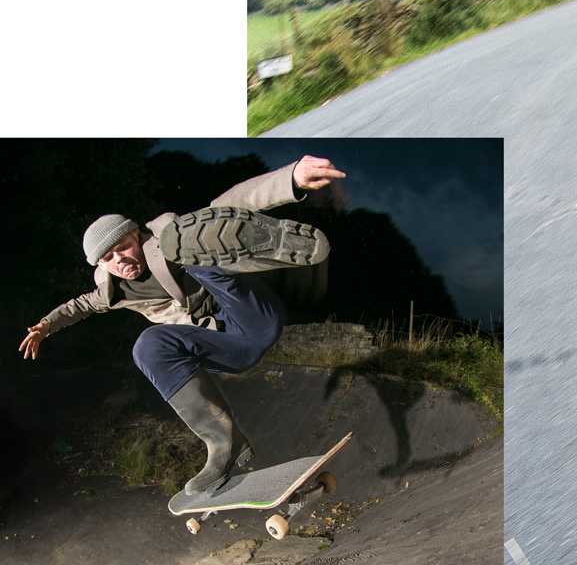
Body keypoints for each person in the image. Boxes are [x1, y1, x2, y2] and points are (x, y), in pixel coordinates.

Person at [19, 156, 346, 498]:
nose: (121, 261)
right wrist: (45, 325)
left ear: (138, 234)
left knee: (196, 241)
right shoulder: (111, 289)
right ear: (101, 265)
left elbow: (226, 208)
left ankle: (270, 249)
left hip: (253, 317)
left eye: (124, 247)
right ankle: (225, 443)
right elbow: (80, 306)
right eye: (109, 259)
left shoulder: (167, 237)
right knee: (148, 345)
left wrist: (289, 178)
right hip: (227, 347)